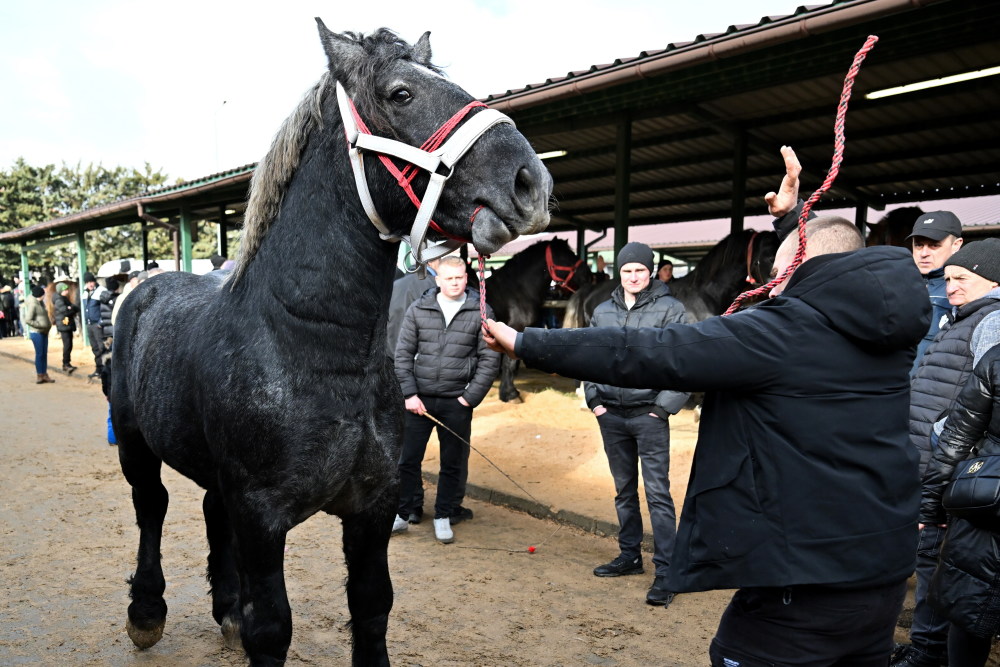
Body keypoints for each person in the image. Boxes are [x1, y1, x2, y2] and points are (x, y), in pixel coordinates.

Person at [485, 215, 930, 665]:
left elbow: (653, 350)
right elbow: (830, 254)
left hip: (807, 573)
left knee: (736, 651)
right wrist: (790, 220)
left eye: (778, 274)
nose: (772, 287)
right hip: (883, 564)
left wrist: (528, 344)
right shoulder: (887, 327)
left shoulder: (780, 331)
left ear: (801, 268)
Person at [895, 238, 1000, 667]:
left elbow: (981, 402)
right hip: (931, 458)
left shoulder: (992, 321)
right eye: (949, 277)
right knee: (932, 559)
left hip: (954, 467)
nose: (951, 285)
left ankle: (928, 652)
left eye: (962, 278)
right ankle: (926, 647)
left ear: (994, 282)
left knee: (939, 563)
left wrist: (945, 445)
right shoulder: (964, 315)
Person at [585, 242, 688, 607]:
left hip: (649, 414)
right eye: (627, 271)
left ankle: (667, 571)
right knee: (623, 490)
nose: (633, 277)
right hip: (611, 415)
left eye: (639, 270)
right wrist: (595, 401)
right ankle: (629, 555)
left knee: (657, 493)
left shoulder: (672, 310)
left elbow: (686, 362)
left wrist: (663, 408)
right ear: (620, 272)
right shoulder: (602, 311)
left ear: (650, 271)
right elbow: (588, 358)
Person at [392, 255, 501, 543]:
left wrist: (469, 398)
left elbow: (489, 359)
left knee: (452, 462)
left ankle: (443, 514)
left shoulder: (480, 311)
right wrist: (409, 394)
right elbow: (403, 354)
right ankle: (404, 511)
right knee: (407, 460)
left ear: (466, 278)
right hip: (419, 400)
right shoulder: (419, 308)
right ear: (437, 279)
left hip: (456, 401)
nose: (454, 283)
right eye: (449, 278)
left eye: (459, 278)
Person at [919, 342, 1000, 667]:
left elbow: (957, 436)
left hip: (985, 499)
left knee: (970, 611)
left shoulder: (997, 357)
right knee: (969, 614)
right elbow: (957, 435)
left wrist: (931, 507)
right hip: (985, 505)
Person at [906, 211, 964, 376]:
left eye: (934, 245)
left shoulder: (964, 292)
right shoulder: (895, 285)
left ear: (956, 245)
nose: (924, 253)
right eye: (919, 245)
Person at [386, 257, 440, 361]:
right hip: (422, 357)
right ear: (430, 262)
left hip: (393, 352)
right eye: (440, 260)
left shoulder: (396, 284)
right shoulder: (433, 284)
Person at [24, 284, 54, 384]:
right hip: (37, 333)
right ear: (39, 295)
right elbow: (28, 319)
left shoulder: (40, 303)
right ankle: (40, 374)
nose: (44, 296)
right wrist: (39, 325)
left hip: (44, 332)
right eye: (43, 295)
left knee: (43, 354)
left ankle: (44, 374)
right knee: (40, 354)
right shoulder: (33, 305)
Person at [81, 272, 107, 379]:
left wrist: (101, 322)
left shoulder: (101, 291)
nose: (90, 284)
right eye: (87, 282)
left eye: (91, 281)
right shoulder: (85, 292)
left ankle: (105, 371)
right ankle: (98, 370)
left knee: (102, 348)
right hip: (89, 324)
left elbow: (106, 308)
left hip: (97, 325)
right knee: (95, 348)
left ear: (94, 281)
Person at [52, 279, 79, 374]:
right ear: (61, 291)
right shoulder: (59, 300)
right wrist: (71, 308)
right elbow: (66, 311)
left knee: (69, 344)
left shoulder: (63, 298)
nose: (67, 291)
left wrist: (71, 307)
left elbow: (73, 307)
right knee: (67, 345)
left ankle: (67, 363)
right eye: (65, 290)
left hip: (67, 324)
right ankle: (65, 364)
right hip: (64, 325)